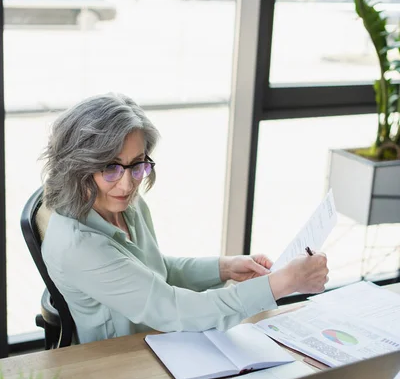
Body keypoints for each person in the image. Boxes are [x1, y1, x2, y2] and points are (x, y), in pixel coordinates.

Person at [41, 92, 329, 344]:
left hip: (158, 338)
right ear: (78, 167)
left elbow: (156, 270)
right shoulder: (78, 247)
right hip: (121, 361)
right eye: (110, 167)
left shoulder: (124, 204)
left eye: (138, 164)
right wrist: (286, 282)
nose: (128, 184)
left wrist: (225, 268)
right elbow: (176, 309)